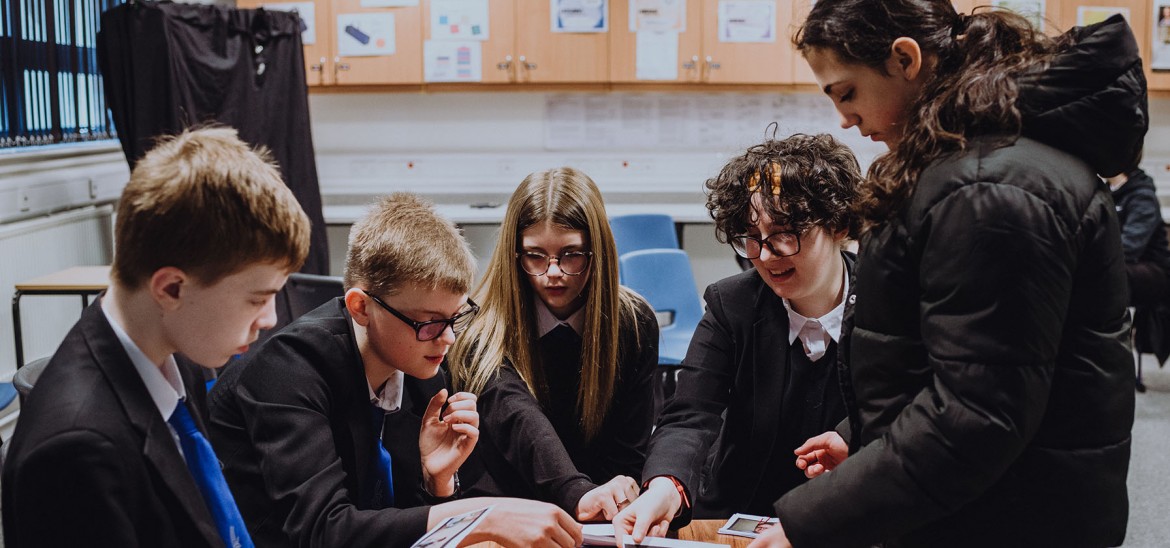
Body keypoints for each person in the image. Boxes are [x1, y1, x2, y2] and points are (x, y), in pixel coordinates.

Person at [749, 2, 1142, 547]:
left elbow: (977, 413)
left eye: (847, 92)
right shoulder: (968, 167)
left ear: (905, 60)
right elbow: (951, 362)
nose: (844, 118)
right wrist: (865, 437)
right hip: (984, 503)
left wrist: (808, 523)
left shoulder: (988, 188)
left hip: (1009, 519)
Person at [205, 192, 585, 548]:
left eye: (456, 317)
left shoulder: (416, 361)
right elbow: (323, 530)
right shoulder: (290, 368)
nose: (448, 338)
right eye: (430, 322)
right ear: (360, 307)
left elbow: (396, 523)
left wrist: (436, 483)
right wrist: (476, 515)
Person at [1, 126, 312, 547]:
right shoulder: (75, 452)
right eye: (258, 299)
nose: (271, 319)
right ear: (171, 289)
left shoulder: (175, 354)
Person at [611, 133, 862, 538]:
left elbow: (910, 406)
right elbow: (690, 415)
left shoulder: (887, 301)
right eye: (750, 237)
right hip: (740, 513)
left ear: (837, 224)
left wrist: (853, 436)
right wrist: (665, 485)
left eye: (784, 233)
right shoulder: (733, 305)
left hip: (852, 516)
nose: (764, 255)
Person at [450, 167, 658, 521]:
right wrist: (578, 494)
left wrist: (621, 492)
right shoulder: (477, 327)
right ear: (514, 255)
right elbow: (520, 419)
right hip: (506, 515)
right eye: (535, 255)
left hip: (599, 519)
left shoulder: (633, 322)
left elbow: (629, 453)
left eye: (571, 255)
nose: (553, 272)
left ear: (598, 252)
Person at [1108, 166, 1170, 305]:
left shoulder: (1142, 196)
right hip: (1127, 262)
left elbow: (1130, 247)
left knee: (1108, 274)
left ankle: (1108, 324)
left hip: (1153, 268)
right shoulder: (1107, 193)